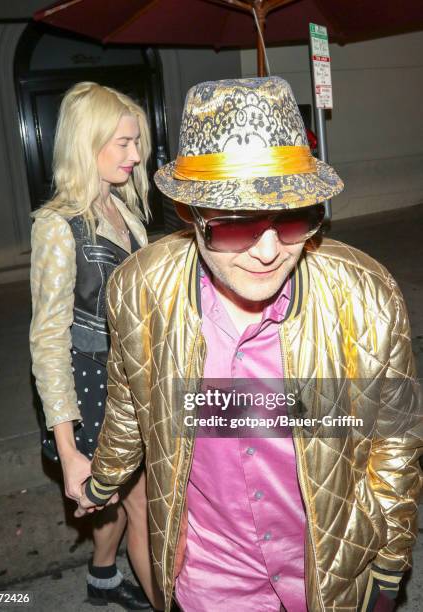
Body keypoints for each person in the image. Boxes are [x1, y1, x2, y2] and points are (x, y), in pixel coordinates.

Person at [76, 77, 423, 611]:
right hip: (214, 575)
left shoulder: (365, 295)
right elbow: (130, 398)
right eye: (237, 226)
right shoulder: (139, 289)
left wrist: (391, 559)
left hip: (328, 567)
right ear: (190, 216)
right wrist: (106, 478)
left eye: (292, 220)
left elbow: (394, 440)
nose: (268, 251)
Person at [30, 81, 162, 610]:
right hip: (92, 393)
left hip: (131, 381)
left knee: (116, 501)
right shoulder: (57, 227)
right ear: (88, 145)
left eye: (137, 144)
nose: (135, 156)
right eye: (124, 144)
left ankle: (102, 576)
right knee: (147, 507)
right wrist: (67, 451)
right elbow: (47, 342)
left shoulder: (120, 208)